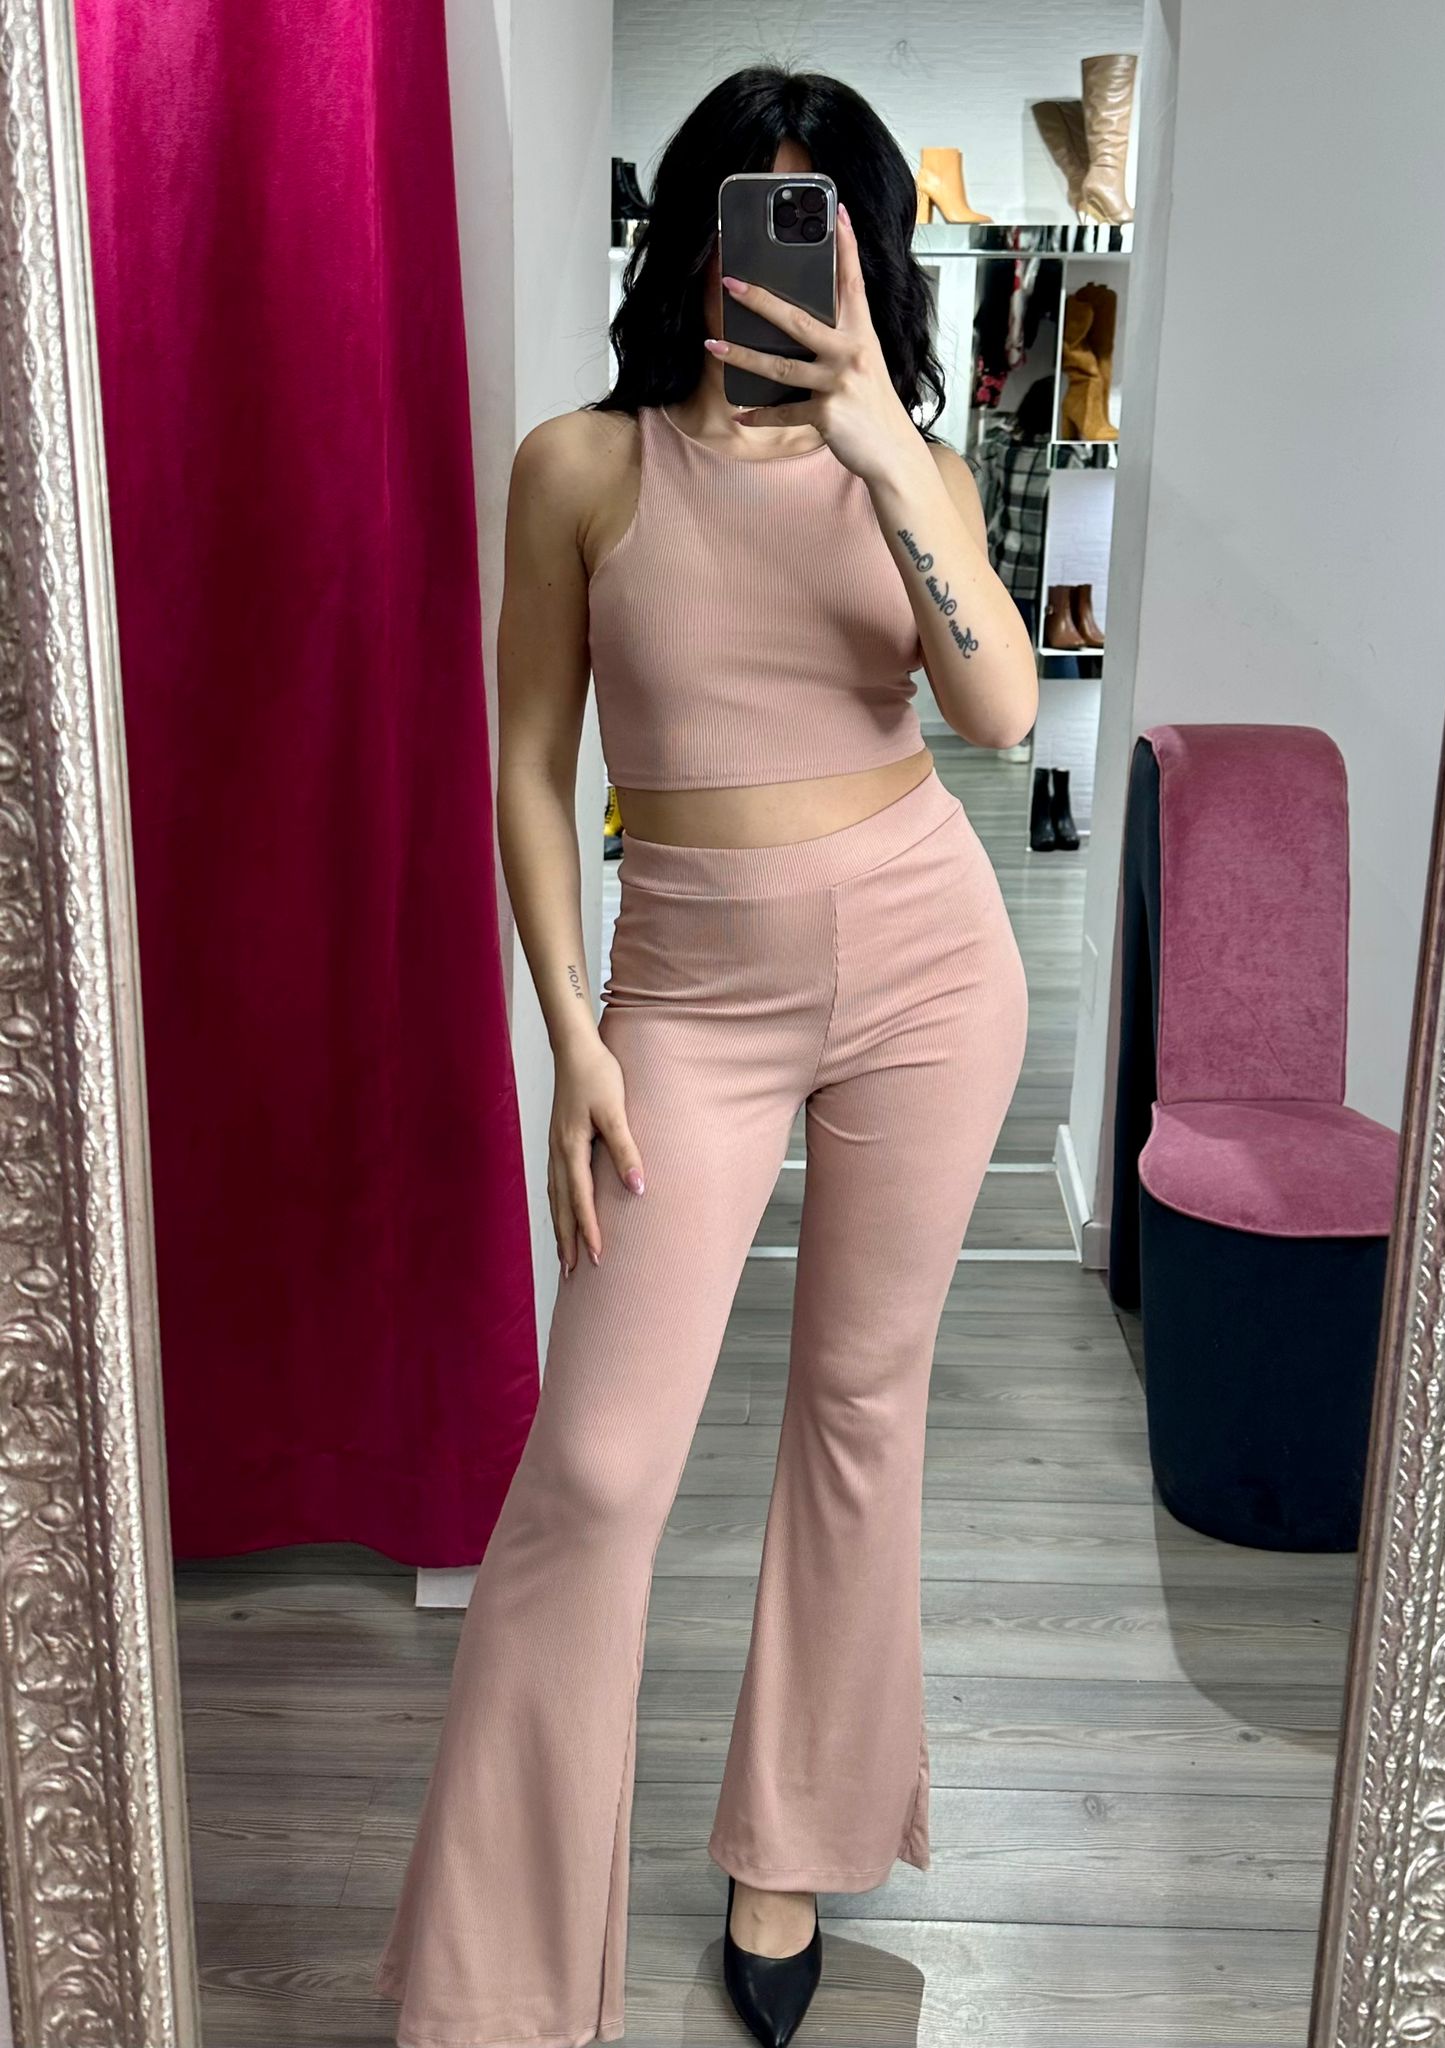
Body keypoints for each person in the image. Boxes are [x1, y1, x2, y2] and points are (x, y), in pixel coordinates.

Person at [374, 63, 1036, 2048]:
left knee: (860, 1408)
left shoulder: (907, 466)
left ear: (864, 254)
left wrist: (885, 454)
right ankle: (496, 1980)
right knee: (594, 1465)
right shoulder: (582, 467)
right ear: (689, 234)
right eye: (750, 213)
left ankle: (793, 1842)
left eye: (816, 223)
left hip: (930, 968)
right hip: (687, 999)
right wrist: (573, 1034)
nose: (775, 263)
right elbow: (527, 761)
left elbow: (1001, 712)